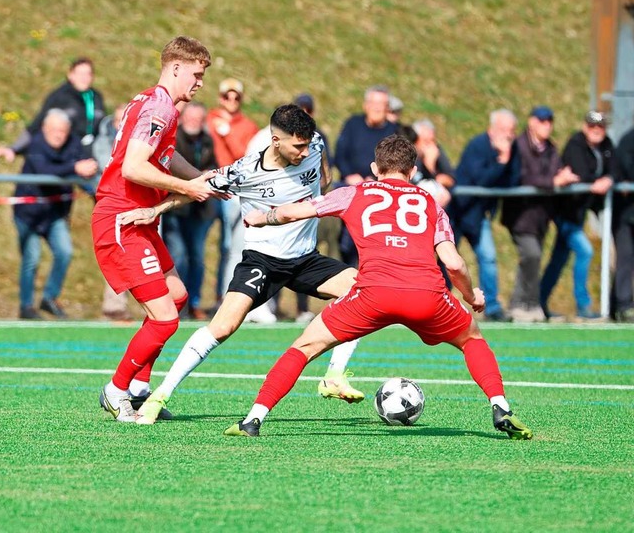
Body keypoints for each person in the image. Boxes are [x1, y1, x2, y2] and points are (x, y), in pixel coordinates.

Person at [224, 134, 533, 440]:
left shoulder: (354, 193)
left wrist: (264, 217)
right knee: (472, 339)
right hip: (427, 295)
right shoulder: (430, 203)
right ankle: (500, 406)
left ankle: (253, 419)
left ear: (375, 168)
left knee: (304, 347)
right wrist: (470, 296)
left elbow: (295, 211)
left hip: (372, 294)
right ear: (412, 172)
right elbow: (454, 264)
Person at [119, 104, 364, 425]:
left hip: (305, 259)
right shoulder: (246, 171)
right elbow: (198, 190)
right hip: (262, 262)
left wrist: (322, 183)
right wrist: (155, 211)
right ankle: (159, 395)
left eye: (307, 145)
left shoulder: (315, 143)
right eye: (297, 146)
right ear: (276, 140)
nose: (304, 152)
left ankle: (334, 376)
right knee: (222, 327)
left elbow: (323, 169)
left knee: (362, 289)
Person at [92, 36, 218, 423]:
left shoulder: (152, 101)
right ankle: (116, 391)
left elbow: (163, 154)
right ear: (176, 67)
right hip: (123, 217)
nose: (199, 83)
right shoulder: (160, 107)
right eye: (196, 74)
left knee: (177, 294)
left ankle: (139, 389)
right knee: (165, 318)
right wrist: (188, 187)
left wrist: (200, 178)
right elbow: (133, 166)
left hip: (141, 216)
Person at [0, 109, 98, 319]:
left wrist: (92, 183)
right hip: (28, 214)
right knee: (31, 258)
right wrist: (74, 168)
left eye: (63, 131)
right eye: (55, 131)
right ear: (45, 129)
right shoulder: (36, 144)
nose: (59, 135)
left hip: (55, 214)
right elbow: (45, 171)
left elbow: (84, 166)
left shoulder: (74, 144)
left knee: (64, 251)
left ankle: (49, 298)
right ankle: (26, 306)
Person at [501, 106, 579, 322]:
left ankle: (524, 304)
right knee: (531, 255)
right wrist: (553, 182)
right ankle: (525, 304)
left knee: (531, 259)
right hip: (521, 214)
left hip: (541, 215)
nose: (547, 126)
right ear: (532, 122)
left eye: (549, 121)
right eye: (542, 121)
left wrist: (563, 176)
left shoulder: (551, 149)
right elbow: (523, 177)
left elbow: (554, 171)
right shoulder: (519, 146)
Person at [540, 110, 614, 320]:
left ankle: (539, 300)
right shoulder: (575, 144)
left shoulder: (606, 146)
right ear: (585, 127)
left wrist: (608, 178)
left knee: (559, 260)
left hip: (579, 214)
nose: (596, 130)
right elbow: (580, 172)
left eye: (600, 126)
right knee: (585, 251)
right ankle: (583, 305)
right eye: (592, 126)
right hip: (566, 213)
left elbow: (615, 168)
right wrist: (597, 181)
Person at [449, 109, 520, 322]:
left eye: (511, 131)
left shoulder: (511, 150)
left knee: (488, 258)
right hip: (458, 211)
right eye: (504, 130)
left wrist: (505, 160)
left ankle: (493, 307)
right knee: (448, 260)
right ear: (493, 129)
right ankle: (437, 303)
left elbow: (514, 180)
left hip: (479, 214)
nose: (508, 135)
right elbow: (481, 179)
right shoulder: (477, 146)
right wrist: (501, 161)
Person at [205, 78, 259, 312]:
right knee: (195, 248)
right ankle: (194, 301)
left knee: (230, 247)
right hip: (207, 187)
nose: (232, 101)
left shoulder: (248, 126)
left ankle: (225, 297)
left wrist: (228, 134)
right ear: (220, 97)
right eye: (227, 96)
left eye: (236, 97)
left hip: (233, 191)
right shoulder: (208, 119)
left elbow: (244, 157)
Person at [162, 101, 218, 319]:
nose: (194, 122)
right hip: (176, 209)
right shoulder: (173, 141)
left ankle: (193, 301)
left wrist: (208, 172)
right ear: (183, 118)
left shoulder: (206, 140)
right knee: (179, 256)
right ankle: (177, 303)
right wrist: (192, 178)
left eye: (198, 118)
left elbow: (213, 164)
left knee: (197, 258)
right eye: (191, 117)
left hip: (199, 209)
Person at [0, 57, 105, 162]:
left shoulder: (96, 97)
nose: (84, 78)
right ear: (70, 75)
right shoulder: (60, 96)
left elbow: (103, 127)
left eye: (88, 74)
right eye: (80, 74)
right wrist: (14, 148)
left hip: (91, 154)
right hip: (64, 154)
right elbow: (37, 124)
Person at [335, 85, 399, 266]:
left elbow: (399, 160)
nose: (377, 108)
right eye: (373, 103)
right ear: (365, 105)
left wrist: (380, 178)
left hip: (380, 188)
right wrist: (350, 176)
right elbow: (340, 154)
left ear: (388, 108)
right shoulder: (352, 125)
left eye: (382, 104)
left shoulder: (394, 131)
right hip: (350, 185)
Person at [92, 103, 132, 321]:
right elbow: (116, 169)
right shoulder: (104, 141)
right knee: (116, 254)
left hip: (136, 205)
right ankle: (114, 304)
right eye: (119, 120)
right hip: (113, 206)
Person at [610, 125, 634, 323]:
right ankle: (623, 305)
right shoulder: (628, 141)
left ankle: (615, 304)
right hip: (625, 214)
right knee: (625, 259)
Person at [410, 118, 455, 208]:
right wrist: (429, 164)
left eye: (432, 141)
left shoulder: (437, 151)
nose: (430, 146)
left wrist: (432, 169)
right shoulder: (408, 156)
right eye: (426, 141)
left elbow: (450, 179)